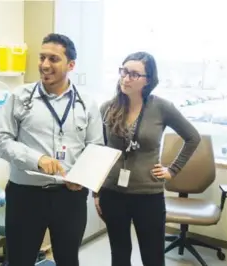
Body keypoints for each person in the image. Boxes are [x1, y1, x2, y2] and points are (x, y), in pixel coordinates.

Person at [0, 33, 104, 266]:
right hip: (26, 195)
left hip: (70, 196)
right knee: (19, 260)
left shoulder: (87, 103)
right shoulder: (20, 97)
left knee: (67, 259)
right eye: (42, 57)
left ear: (71, 65)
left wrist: (83, 178)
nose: (44, 65)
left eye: (53, 59)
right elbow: (1, 140)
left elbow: (96, 147)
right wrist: (37, 158)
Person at [94, 51, 201, 266]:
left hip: (147, 195)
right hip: (112, 193)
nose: (126, 78)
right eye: (123, 71)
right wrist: (95, 192)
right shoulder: (108, 108)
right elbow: (99, 151)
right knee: (119, 255)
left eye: (134, 74)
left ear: (149, 80)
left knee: (153, 257)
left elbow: (193, 137)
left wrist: (173, 169)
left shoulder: (161, 107)